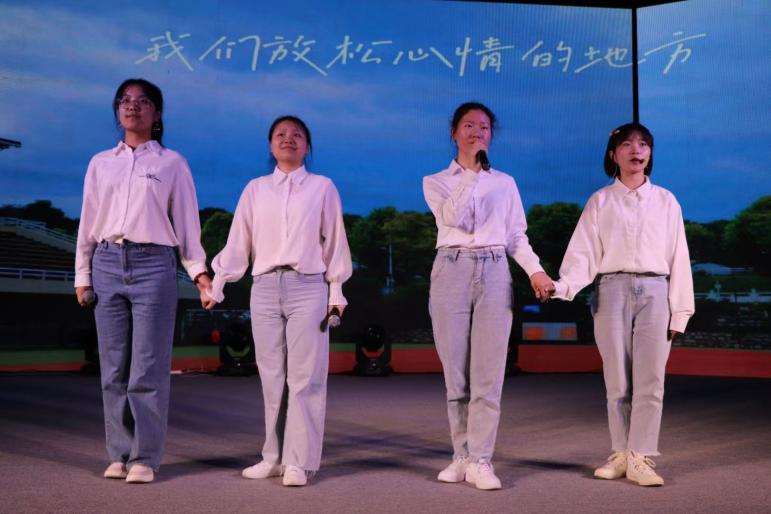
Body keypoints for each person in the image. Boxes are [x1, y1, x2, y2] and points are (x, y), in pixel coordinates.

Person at [74, 78, 213, 484]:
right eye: (125, 100)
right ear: (118, 110)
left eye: (142, 101)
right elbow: (88, 221)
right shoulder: (101, 163)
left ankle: (145, 458)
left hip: (154, 265)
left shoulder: (172, 163)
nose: (132, 106)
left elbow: (187, 225)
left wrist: (199, 273)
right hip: (106, 262)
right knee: (113, 367)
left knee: (147, 368)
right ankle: (118, 453)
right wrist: (82, 275)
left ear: (157, 113)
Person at [204, 115, 352, 487]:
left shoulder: (322, 187)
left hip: (308, 286)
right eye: (281, 134)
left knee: (305, 378)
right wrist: (218, 284)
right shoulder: (255, 189)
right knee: (272, 377)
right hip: (265, 287)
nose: (289, 139)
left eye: (297, 135)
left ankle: (298, 462)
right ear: (271, 145)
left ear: (307, 146)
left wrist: (336, 292)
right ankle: (273, 457)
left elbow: (335, 242)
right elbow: (239, 240)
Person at [549, 122, 694, 486]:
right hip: (610, 289)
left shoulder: (666, 201)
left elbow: (679, 256)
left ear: (650, 154)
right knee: (617, 380)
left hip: (655, 290)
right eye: (627, 144)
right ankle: (621, 452)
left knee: (651, 379)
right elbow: (583, 254)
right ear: (613, 154)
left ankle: (640, 456)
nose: (636, 150)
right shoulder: (600, 201)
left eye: (643, 144)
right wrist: (562, 287)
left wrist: (680, 311)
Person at [423, 102, 553, 490]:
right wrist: (471, 174)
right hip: (451, 268)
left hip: (495, 269)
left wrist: (535, 270)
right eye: (469, 125)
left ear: (491, 135)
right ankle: (460, 455)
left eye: (484, 127)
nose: (477, 132)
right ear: (454, 132)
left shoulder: (505, 183)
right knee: (456, 374)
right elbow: (453, 218)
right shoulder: (435, 181)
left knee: (488, 373)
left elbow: (516, 236)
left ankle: (480, 460)